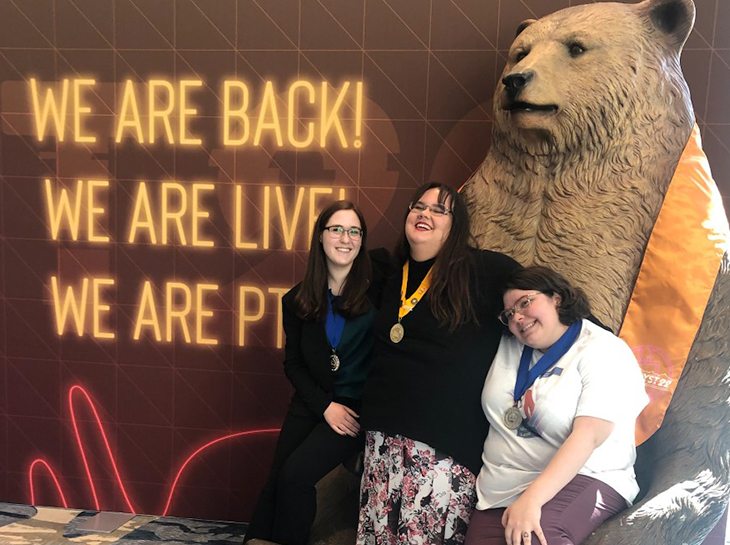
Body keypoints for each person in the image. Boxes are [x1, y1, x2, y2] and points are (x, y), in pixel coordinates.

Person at [357, 183, 521, 545]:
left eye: (438, 210)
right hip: (383, 445)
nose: (424, 214)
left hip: (442, 451)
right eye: (418, 206)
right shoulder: (388, 273)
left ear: (455, 226)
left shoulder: (484, 269)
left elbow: (542, 301)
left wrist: (590, 335)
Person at [465, 266, 649, 545]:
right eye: (509, 314)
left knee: (540, 538)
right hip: (500, 489)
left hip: (585, 477)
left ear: (557, 298)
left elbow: (589, 435)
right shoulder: (507, 345)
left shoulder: (603, 349)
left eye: (525, 302)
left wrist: (533, 500)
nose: (517, 317)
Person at [245, 200, 387, 545]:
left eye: (354, 231)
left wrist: (341, 409)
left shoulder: (380, 283)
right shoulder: (296, 300)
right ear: (320, 237)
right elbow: (293, 364)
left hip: (356, 411)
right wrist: (324, 406)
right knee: (277, 478)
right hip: (316, 404)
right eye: (336, 229)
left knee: (295, 477)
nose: (345, 238)